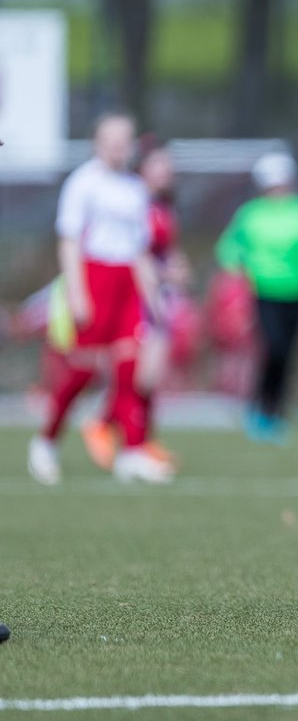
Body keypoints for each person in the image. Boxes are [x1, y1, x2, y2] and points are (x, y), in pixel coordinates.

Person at [27, 113, 175, 485]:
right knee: (82, 369)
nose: (117, 145)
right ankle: (46, 442)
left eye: (123, 138)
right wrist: (78, 294)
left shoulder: (134, 188)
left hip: (127, 282)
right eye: (110, 138)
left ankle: (132, 452)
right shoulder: (84, 183)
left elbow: (139, 250)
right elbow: (71, 241)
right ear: (97, 141)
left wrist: (152, 297)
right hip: (94, 278)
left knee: (128, 367)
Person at [80, 139, 197, 470]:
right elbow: (133, 254)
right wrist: (160, 280)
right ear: (142, 168)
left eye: (168, 165)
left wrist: (177, 268)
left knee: (151, 375)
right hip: (137, 294)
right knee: (139, 374)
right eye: (159, 164)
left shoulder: (162, 205)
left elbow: (165, 250)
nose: (166, 171)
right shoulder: (132, 202)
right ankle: (104, 422)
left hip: (160, 293)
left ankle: (141, 439)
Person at [214, 151, 298, 443]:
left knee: (288, 356)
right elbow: (228, 250)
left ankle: (275, 412)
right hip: (262, 293)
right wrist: (238, 276)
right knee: (273, 349)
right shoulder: (250, 214)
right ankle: (259, 409)